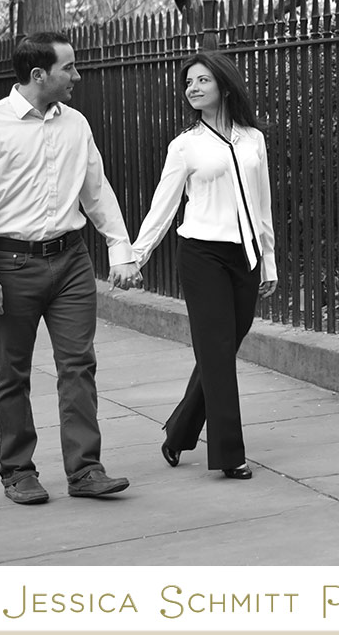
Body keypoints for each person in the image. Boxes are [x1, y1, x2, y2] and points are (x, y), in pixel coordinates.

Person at [0, 31, 141, 505]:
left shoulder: (75, 124)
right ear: (39, 75)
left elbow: (96, 189)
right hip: (11, 264)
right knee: (11, 372)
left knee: (79, 365)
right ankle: (18, 472)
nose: (77, 76)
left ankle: (85, 470)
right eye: (69, 68)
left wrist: (120, 247)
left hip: (71, 259)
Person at [129, 50, 278, 480]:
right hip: (201, 255)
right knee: (216, 354)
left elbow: (262, 205)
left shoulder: (252, 139)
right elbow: (163, 207)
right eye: (188, 83)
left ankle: (179, 432)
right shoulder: (185, 146)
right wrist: (136, 256)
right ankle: (230, 454)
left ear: (224, 85)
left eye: (201, 81)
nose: (192, 88)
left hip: (245, 257)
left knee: (221, 351)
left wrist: (268, 262)